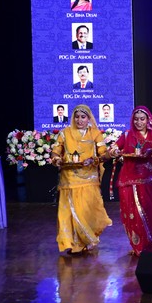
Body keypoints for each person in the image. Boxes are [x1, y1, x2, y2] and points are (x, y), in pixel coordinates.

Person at [49, 104, 112, 254]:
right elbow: (55, 152)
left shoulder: (95, 133)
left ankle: (87, 239)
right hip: (69, 178)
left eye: (83, 117)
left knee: (87, 211)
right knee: (69, 212)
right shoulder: (65, 133)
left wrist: (95, 160)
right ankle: (73, 243)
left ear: (89, 118)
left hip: (89, 179)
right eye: (77, 117)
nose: (79, 120)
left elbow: (104, 154)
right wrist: (56, 159)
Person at [107, 106, 152, 256]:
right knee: (132, 213)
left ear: (147, 120)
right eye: (136, 119)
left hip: (148, 181)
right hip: (128, 180)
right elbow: (112, 149)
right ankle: (139, 246)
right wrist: (115, 151)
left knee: (151, 211)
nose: (139, 122)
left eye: (142, 119)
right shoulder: (127, 135)